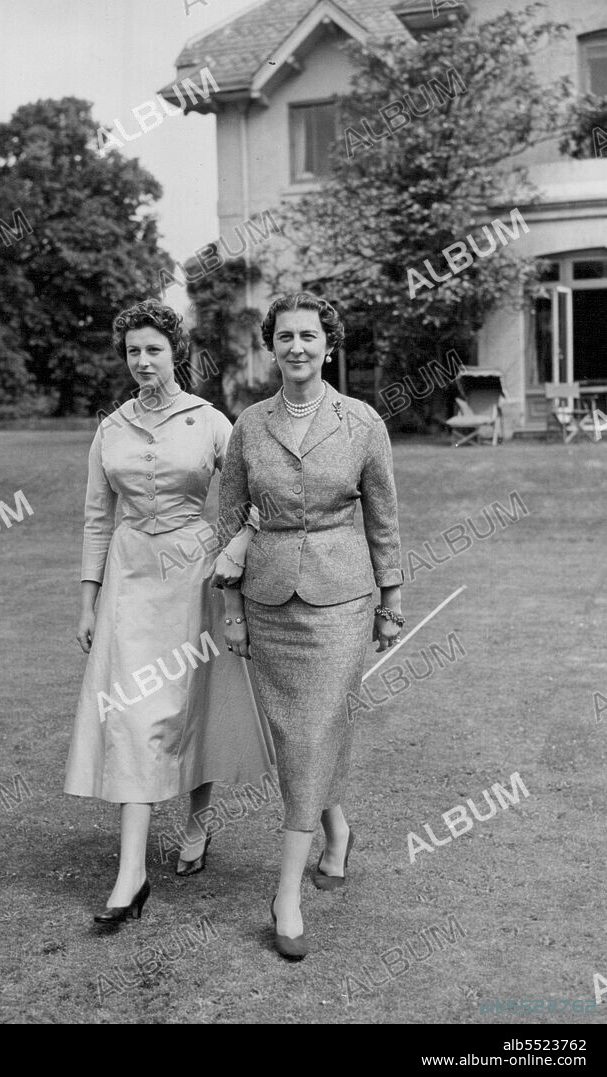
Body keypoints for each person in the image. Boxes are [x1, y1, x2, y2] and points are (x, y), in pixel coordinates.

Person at [65, 299, 274, 926]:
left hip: (194, 579)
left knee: (193, 706)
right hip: (129, 585)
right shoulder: (111, 428)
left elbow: (254, 497)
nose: (142, 361)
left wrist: (232, 551)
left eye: (153, 349)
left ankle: (197, 825)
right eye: (133, 351)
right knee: (133, 716)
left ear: (174, 353)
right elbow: (97, 519)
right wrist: (87, 599)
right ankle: (131, 874)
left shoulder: (211, 422)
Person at [215, 292, 404, 960]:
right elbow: (227, 518)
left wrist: (392, 596)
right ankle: (338, 829)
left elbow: (382, 516)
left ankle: (285, 894)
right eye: (285, 335)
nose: (297, 346)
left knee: (314, 728)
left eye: (309, 335)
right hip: (268, 600)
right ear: (271, 345)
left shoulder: (360, 423)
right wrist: (233, 609)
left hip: (340, 602)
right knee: (298, 735)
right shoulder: (247, 425)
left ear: (330, 343)